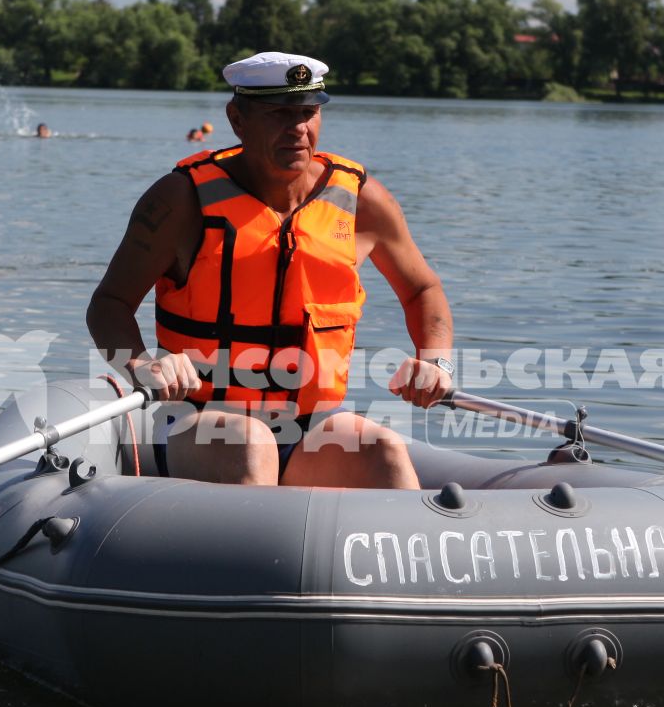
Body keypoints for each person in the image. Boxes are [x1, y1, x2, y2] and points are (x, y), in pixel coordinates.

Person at [88, 50, 453, 488]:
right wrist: (144, 365)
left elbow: (422, 290)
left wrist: (435, 363)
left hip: (311, 423)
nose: (298, 129)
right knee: (252, 444)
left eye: (308, 112)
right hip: (198, 420)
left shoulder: (362, 200)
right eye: (280, 113)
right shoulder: (178, 200)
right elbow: (108, 305)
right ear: (237, 119)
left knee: (385, 451)